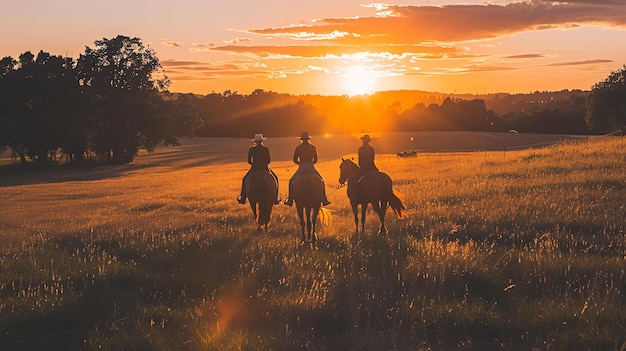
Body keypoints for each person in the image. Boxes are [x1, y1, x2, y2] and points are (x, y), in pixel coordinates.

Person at [284, 131, 331, 206]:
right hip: (311, 167)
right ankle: (324, 199)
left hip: (302, 167)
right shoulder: (313, 147)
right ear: (308, 139)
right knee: (321, 180)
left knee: (291, 181)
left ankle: (290, 199)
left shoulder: (298, 148)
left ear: (301, 139)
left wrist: (300, 163)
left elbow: (294, 160)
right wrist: (311, 163)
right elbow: (315, 159)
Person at [237, 133, 279, 204]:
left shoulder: (252, 149)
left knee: (244, 179)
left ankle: (243, 197)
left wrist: (255, 163)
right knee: (276, 178)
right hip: (265, 168)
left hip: (254, 168)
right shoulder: (266, 149)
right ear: (262, 141)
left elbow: (249, 161)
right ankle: (275, 197)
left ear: (255, 141)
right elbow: (268, 161)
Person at [349, 134, 379, 198]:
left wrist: (361, 165)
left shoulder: (360, 149)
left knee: (354, 178)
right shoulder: (371, 149)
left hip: (363, 168)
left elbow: (360, 160)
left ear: (363, 141)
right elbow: (372, 159)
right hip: (372, 167)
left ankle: (354, 193)